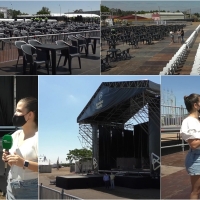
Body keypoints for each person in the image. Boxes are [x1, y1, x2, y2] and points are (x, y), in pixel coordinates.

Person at [2, 97, 38, 199]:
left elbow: (45, 169)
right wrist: (8, 158)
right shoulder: (14, 135)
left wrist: (24, 163)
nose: (15, 114)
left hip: (31, 190)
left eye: (18, 111)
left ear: (30, 115)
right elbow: (13, 164)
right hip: (11, 186)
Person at [180, 93, 200, 199]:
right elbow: (194, 144)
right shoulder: (188, 122)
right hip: (197, 158)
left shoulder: (197, 120)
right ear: (195, 105)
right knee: (196, 191)